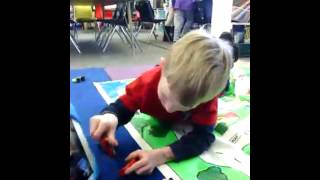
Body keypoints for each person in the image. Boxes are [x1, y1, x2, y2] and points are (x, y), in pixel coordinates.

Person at [90, 30, 233, 175]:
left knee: (225, 87)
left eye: (185, 108)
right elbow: (123, 106)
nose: (169, 108)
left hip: (216, 89)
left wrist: (162, 155)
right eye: (164, 96)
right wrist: (111, 116)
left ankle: (226, 75)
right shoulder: (148, 81)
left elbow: (203, 136)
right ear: (162, 67)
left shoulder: (208, 99)